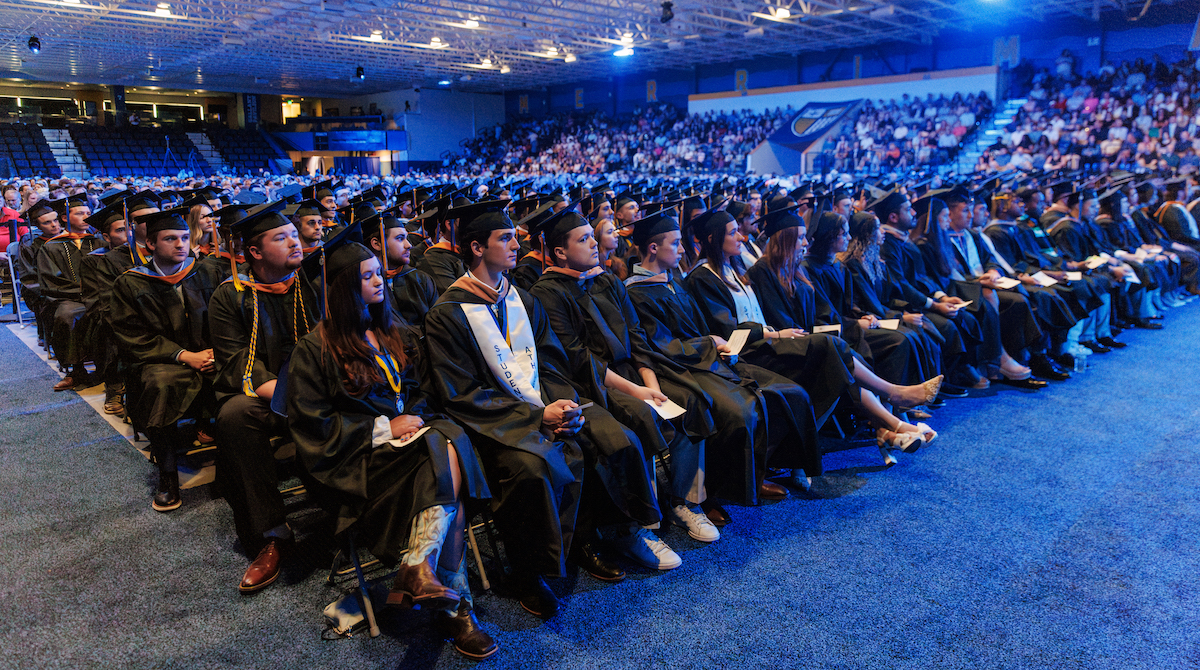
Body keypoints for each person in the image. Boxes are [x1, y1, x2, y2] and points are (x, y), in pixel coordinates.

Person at [284, 231, 497, 660]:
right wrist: (384, 428)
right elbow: (314, 427)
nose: (379, 281)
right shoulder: (315, 349)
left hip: (417, 452)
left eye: (379, 273)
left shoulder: (395, 332)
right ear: (343, 289)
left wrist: (413, 420)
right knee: (447, 446)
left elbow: (422, 392)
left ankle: (423, 571)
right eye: (366, 277)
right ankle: (451, 604)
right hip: (361, 465)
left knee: (443, 442)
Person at [422, 200, 586, 619]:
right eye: (506, 238)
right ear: (477, 248)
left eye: (515, 237)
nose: (517, 245)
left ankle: (584, 546)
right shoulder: (448, 314)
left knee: (594, 436)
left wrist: (560, 404)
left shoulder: (522, 301)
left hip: (536, 411)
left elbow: (551, 363)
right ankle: (528, 573)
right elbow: (461, 394)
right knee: (528, 468)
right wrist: (536, 417)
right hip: (486, 428)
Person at [529, 206, 717, 563]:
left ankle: (684, 501)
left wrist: (650, 383)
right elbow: (578, 358)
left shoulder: (606, 281)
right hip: (594, 384)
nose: (594, 243)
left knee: (690, 401)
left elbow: (636, 335)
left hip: (634, 373)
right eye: (584, 239)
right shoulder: (547, 293)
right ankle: (637, 526)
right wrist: (637, 391)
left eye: (592, 236)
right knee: (638, 420)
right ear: (560, 252)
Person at [686, 206, 941, 461]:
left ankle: (889, 424)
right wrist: (774, 335)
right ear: (713, 238)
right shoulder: (707, 277)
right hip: (749, 353)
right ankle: (892, 403)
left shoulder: (736, 271)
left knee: (838, 351)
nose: (742, 237)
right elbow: (728, 330)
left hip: (776, 340)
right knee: (834, 348)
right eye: (733, 232)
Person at [624, 208, 823, 513]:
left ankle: (755, 472)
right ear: (653, 248)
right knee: (741, 410)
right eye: (675, 243)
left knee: (791, 393)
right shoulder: (636, 292)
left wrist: (715, 344)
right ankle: (713, 492)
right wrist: (710, 343)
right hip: (679, 369)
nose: (682, 249)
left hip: (709, 359)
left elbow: (700, 326)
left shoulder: (673, 281)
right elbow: (661, 345)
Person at [209, 201, 318, 593]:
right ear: (254, 251)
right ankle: (272, 534)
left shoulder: (313, 281)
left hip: (321, 388)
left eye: (293, 234)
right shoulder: (230, 296)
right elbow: (239, 361)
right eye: (281, 237)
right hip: (271, 395)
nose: (295, 242)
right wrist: (293, 398)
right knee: (235, 414)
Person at [109, 208, 220, 512]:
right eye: (170, 238)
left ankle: (233, 458)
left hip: (209, 355)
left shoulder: (208, 272)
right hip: (160, 361)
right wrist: (184, 356)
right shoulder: (131, 283)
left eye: (184, 237)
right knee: (160, 385)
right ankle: (168, 473)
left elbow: (227, 317)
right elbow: (130, 334)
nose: (180, 244)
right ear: (151, 244)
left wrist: (215, 351)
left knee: (239, 369)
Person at [37, 194, 99, 391]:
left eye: (88, 213)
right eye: (80, 213)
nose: (86, 217)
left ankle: (109, 370)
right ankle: (77, 371)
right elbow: (51, 280)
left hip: (100, 296)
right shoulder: (51, 246)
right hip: (68, 297)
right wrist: (82, 292)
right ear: (65, 217)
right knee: (68, 315)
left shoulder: (98, 242)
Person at [362, 210, 439, 327]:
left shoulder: (421, 279)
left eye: (406, 238)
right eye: (399, 238)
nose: (409, 245)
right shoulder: (367, 288)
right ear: (377, 244)